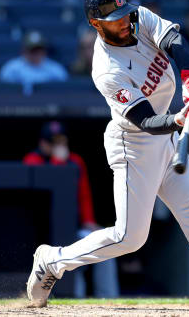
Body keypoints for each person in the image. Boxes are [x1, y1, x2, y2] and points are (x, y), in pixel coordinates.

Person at [26, 0, 189, 311]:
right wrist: (179, 118)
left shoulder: (139, 19)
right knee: (130, 238)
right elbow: (144, 120)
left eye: (125, 14)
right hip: (134, 146)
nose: (125, 22)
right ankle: (53, 260)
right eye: (114, 19)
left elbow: (175, 41)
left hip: (166, 140)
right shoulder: (107, 69)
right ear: (97, 24)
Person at [23, 121, 120, 298]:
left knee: (108, 246)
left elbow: (83, 195)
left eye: (61, 141)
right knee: (71, 261)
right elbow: (48, 192)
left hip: (73, 227)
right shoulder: (32, 160)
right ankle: (76, 300)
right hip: (43, 232)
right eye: (53, 142)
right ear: (43, 143)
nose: (58, 146)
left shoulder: (75, 161)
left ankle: (108, 298)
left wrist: (89, 221)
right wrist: (58, 162)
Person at [0, 30, 68, 95]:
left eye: (39, 49)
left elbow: (65, 93)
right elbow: (2, 92)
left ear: (45, 51)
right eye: (32, 50)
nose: (36, 53)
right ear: (24, 50)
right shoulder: (11, 68)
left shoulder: (55, 69)